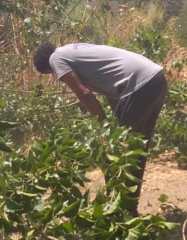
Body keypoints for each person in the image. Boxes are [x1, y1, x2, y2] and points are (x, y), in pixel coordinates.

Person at [32, 43, 167, 216]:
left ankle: (120, 209)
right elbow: (111, 90)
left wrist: (103, 124)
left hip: (139, 85)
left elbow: (84, 94)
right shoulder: (73, 51)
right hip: (154, 79)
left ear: (47, 69)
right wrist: (115, 123)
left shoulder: (56, 59)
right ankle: (126, 207)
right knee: (134, 149)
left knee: (118, 152)